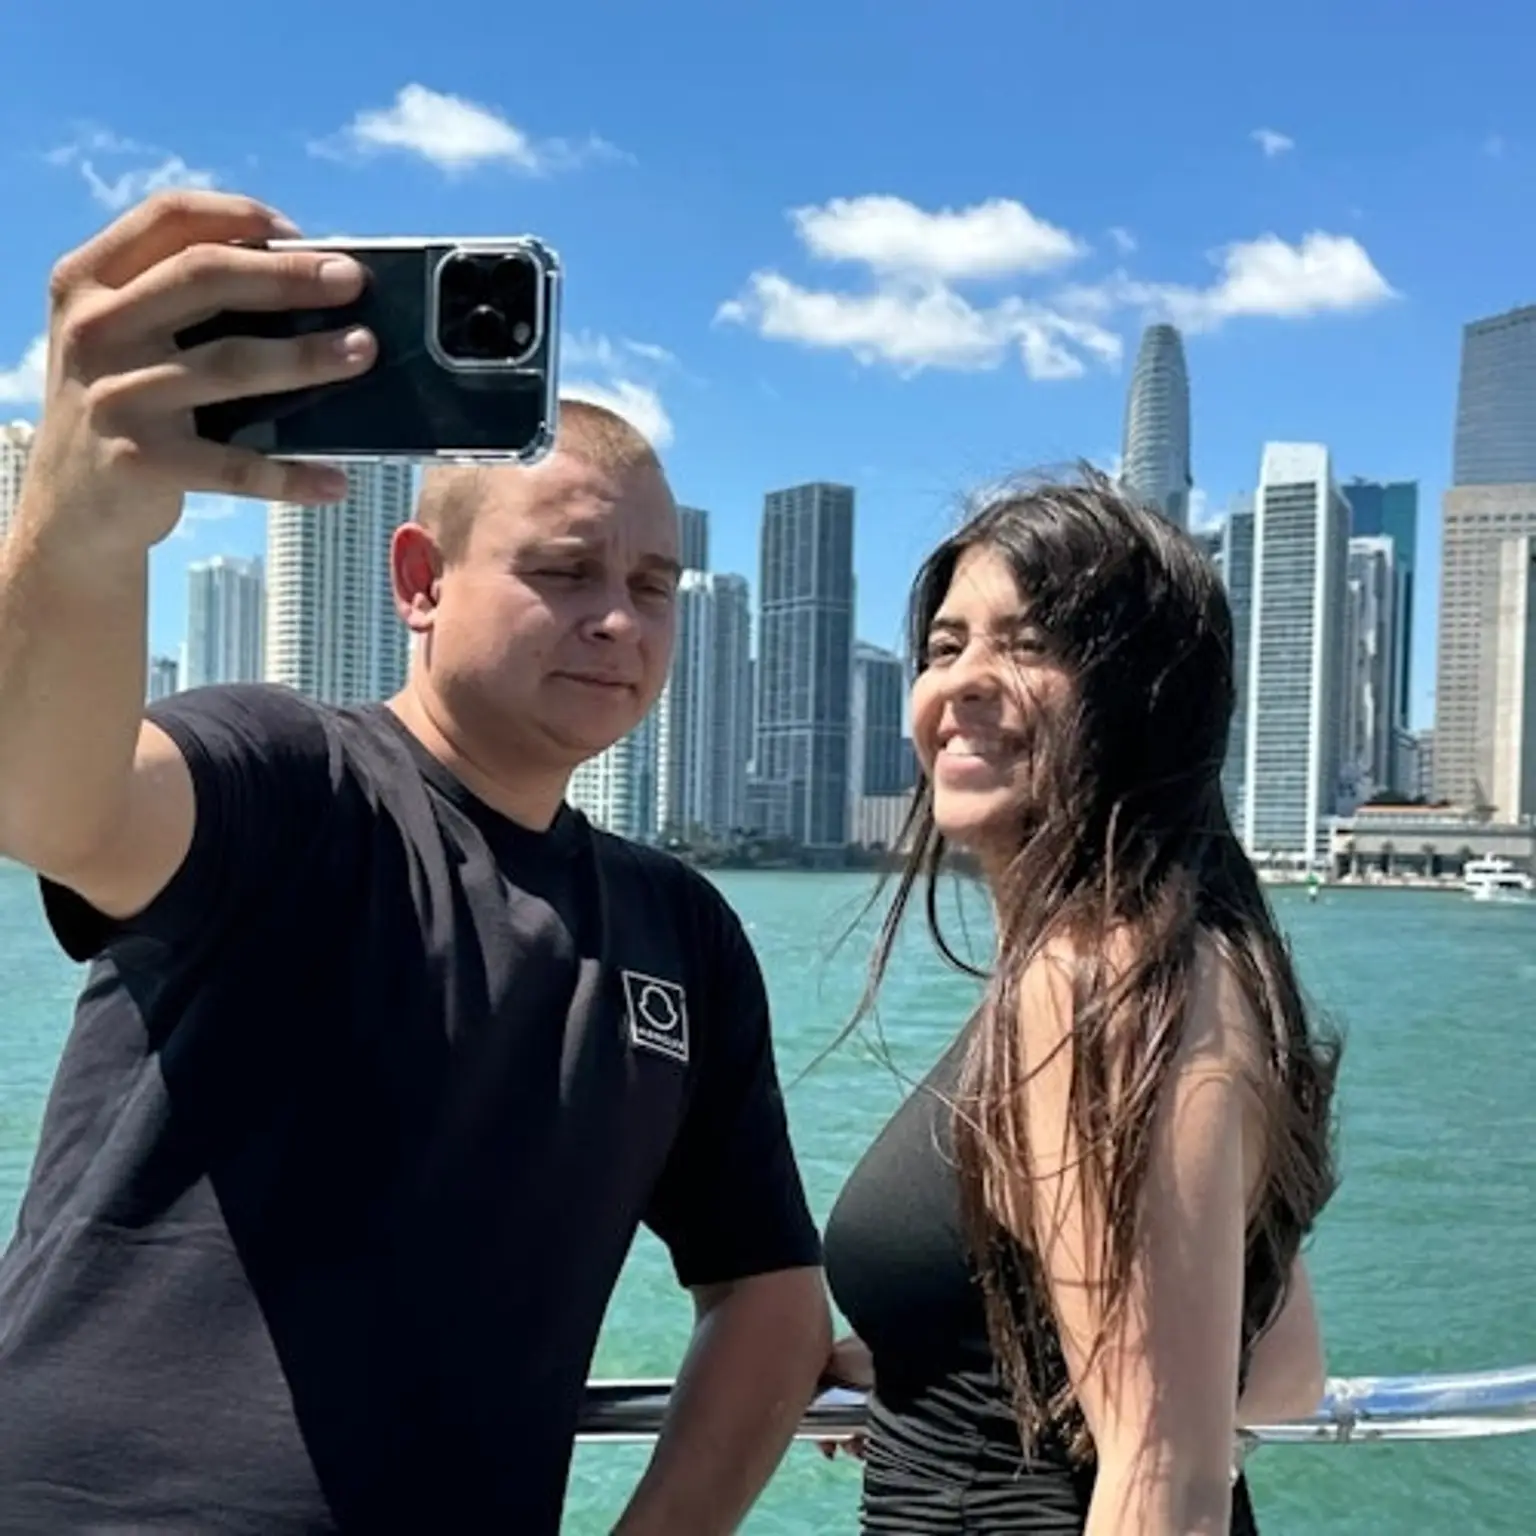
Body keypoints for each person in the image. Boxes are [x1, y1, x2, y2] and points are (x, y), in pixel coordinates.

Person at [0, 189, 831, 1534]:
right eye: (565, 570)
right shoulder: (286, 777)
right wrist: (83, 525)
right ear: (420, 580)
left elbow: (773, 1298)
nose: (619, 619)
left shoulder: (681, 934)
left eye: (657, 586)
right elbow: (56, 802)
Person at [817, 473, 1341, 1533]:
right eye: (945, 646)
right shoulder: (1185, 963)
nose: (962, 682)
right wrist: (935, 1350)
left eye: (1027, 644)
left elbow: (1167, 1475)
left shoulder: (1097, 978)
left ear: (1144, 694)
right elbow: (1284, 1369)